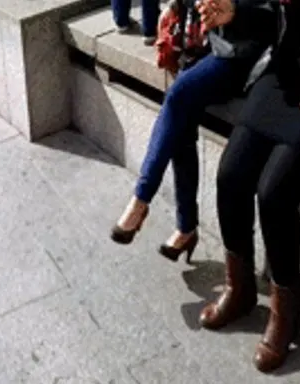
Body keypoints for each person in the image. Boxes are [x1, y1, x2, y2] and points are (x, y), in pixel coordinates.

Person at [197, 0, 300, 372]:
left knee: (274, 194)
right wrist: (236, 13)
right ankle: (239, 290)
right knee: (231, 176)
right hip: (287, 77)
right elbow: (275, 20)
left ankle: (285, 313)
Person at [110, 0, 275, 262]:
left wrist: (233, 11)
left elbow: (277, 16)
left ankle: (141, 199)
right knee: (181, 125)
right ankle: (185, 226)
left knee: (178, 96)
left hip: (243, 55)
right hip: (205, 44)